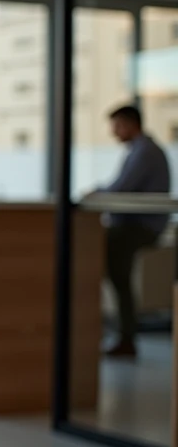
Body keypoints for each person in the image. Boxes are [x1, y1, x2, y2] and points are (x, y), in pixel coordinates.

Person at [99, 105, 171, 357]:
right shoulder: (140, 151)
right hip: (132, 224)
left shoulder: (145, 152)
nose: (114, 133)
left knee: (113, 268)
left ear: (131, 124)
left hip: (139, 227)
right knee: (109, 262)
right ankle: (119, 332)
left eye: (117, 126)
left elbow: (121, 188)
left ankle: (125, 335)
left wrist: (96, 193)